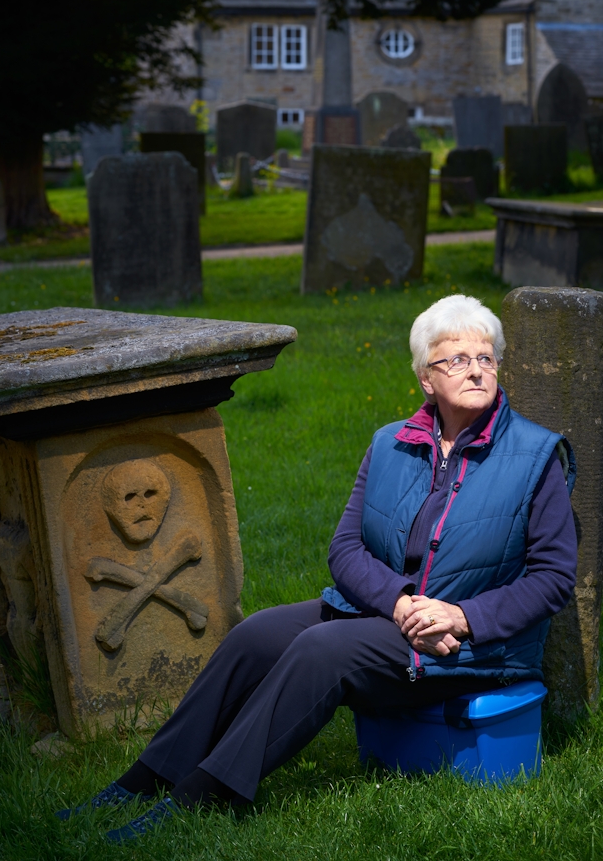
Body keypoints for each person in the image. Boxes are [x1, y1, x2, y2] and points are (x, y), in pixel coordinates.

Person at [57, 294, 577, 842]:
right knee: (255, 635)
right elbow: (346, 548)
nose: (475, 369)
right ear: (427, 378)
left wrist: (460, 617)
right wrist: (400, 603)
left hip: (471, 647)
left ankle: (206, 794)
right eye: (456, 359)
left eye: (486, 357)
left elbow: (551, 579)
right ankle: (149, 775)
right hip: (395, 617)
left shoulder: (536, 457)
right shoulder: (391, 445)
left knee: (322, 650)